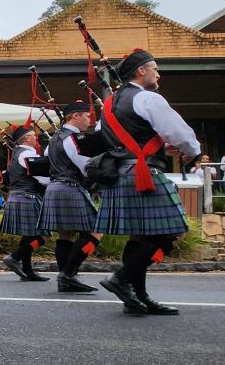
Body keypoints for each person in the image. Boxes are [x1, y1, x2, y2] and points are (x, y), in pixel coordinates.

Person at [96, 49, 199, 315]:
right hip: (143, 173)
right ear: (141, 71)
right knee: (168, 231)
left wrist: (160, 146)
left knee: (140, 237)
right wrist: (191, 149)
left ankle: (137, 297)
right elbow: (178, 132)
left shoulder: (108, 105)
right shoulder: (147, 98)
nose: (158, 72)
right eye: (155, 67)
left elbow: (122, 138)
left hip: (122, 173)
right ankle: (121, 278)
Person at [35, 101, 103, 292]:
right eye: (87, 116)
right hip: (71, 187)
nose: (89, 120)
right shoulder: (74, 138)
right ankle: (69, 274)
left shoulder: (54, 138)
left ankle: (65, 278)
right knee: (96, 231)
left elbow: (45, 165)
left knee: (66, 235)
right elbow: (86, 166)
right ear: (75, 116)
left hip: (55, 187)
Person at [0, 124, 51, 283]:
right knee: (44, 236)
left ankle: (28, 271)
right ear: (27, 138)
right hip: (27, 197)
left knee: (29, 236)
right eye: (34, 136)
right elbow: (40, 176)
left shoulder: (17, 153)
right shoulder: (27, 154)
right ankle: (15, 257)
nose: (36, 138)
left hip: (19, 196)